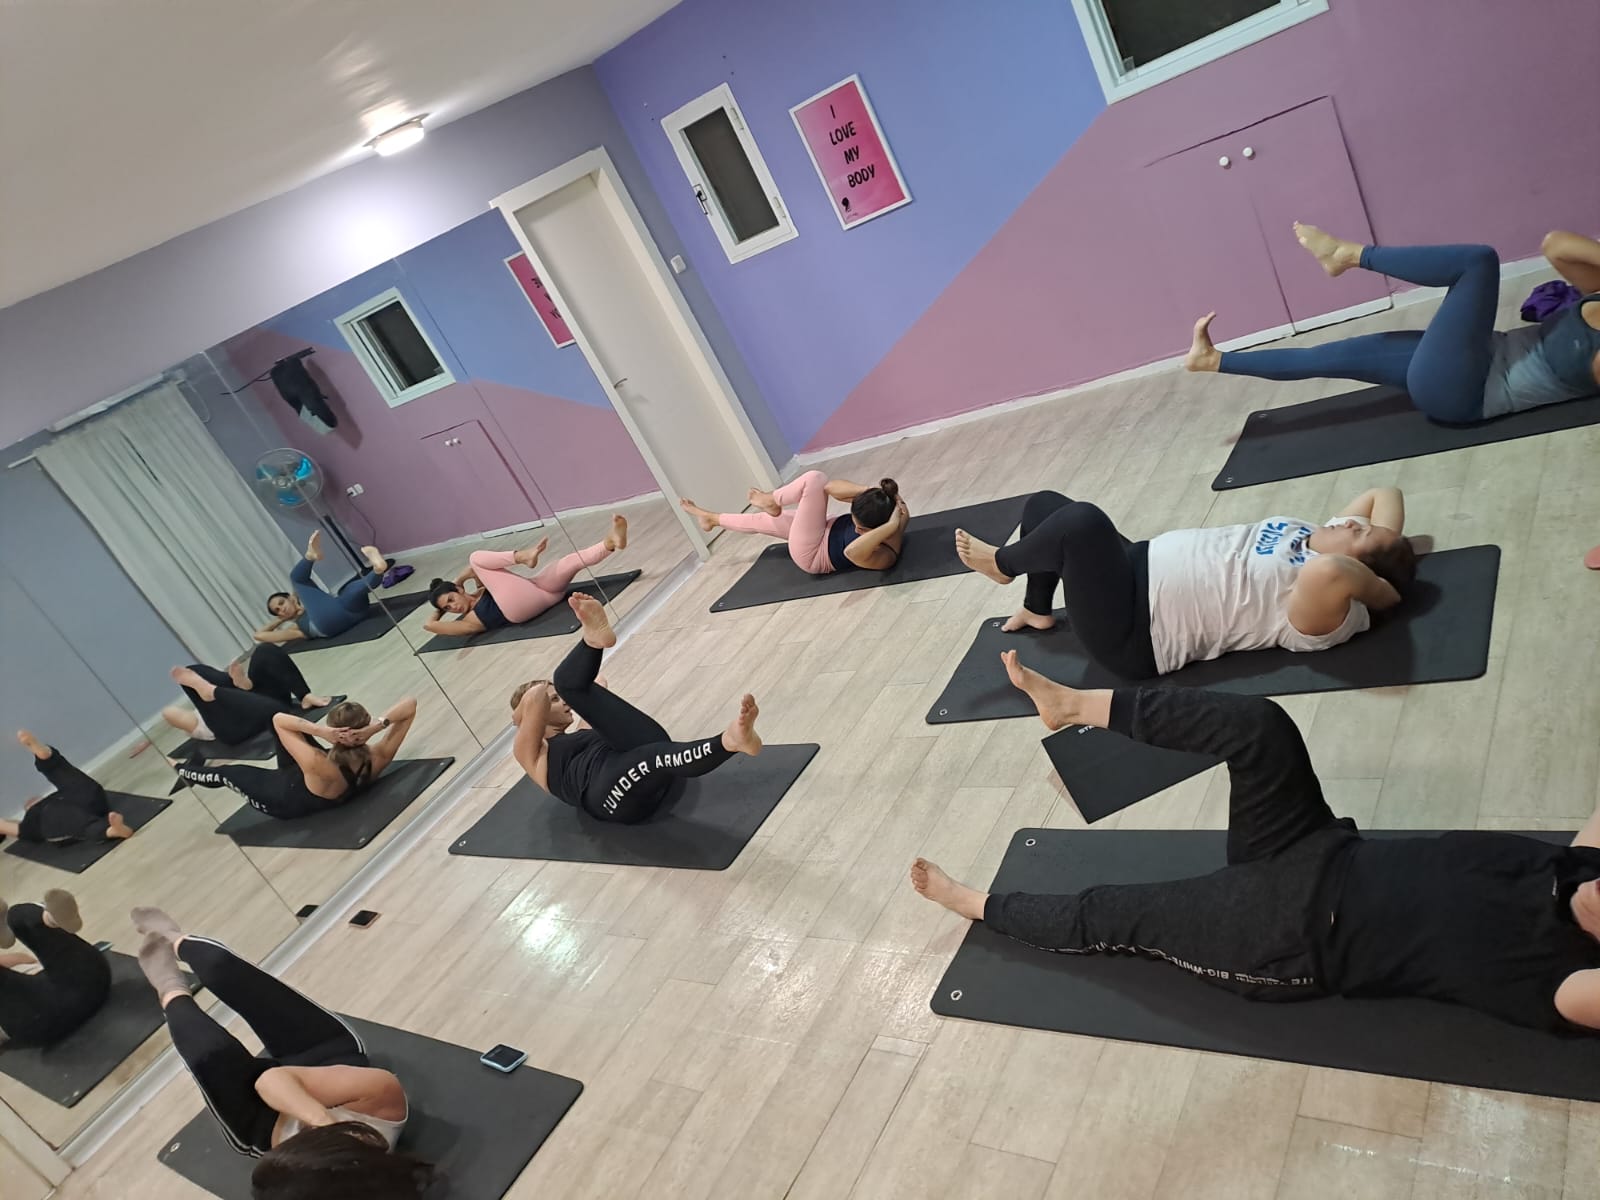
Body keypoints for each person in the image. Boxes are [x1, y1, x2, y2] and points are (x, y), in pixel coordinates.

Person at [911, 652, 1600, 1033]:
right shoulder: (1584, 869)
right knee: (1261, 728)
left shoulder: (1561, 977)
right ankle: (1073, 705)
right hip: (1315, 846)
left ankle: (975, 904)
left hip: (1282, 934)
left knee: (1113, 912)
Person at [955, 486, 1415, 678]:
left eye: (1361, 534)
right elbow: (1385, 493)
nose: (1352, 523)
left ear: (1361, 574)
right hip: (1136, 565)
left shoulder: (1320, 601)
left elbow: (1332, 572)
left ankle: (1003, 564)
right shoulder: (1317, 535)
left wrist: (1386, 594)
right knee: (1044, 506)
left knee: (1081, 523)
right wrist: (1381, 542)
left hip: (1136, 633)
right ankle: (1036, 607)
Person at [132, 909, 431, 1196]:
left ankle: (168, 985)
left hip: (260, 1121)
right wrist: (324, 1126)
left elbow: (264, 1085)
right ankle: (174, 938)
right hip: (327, 1059)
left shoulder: (297, 1184)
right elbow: (270, 1079)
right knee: (220, 967)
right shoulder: (383, 1103)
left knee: (204, 1044)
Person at [1184, 223, 1600, 424]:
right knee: (1329, 356)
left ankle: (1350, 255)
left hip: (1470, 390)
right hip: (1482, 354)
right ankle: (1212, 360)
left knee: (1477, 263)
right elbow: (1556, 244)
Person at [510, 593, 763, 823]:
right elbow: (535, 696)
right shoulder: (531, 755)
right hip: (610, 797)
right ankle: (730, 742)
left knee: (568, 683)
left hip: (636, 772)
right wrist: (520, 715)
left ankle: (592, 641)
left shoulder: (580, 733)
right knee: (652, 757)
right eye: (554, 700)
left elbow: (597, 683)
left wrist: (573, 686)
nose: (563, 702)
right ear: (531, 719)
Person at [172, 698, 417, 820]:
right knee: (283, 722)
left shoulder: (318, 761)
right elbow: (410, 705)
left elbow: (279, 720)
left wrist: (320, 732)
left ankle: (181, 768)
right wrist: (376, 728)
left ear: (334, 731)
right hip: (304, 776)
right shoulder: (378, 756)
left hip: (283, 798)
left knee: (229, 773)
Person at [422, 516, 628, 639]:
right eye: (448, 608)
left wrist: (458, 582)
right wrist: (440, 608)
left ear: (459, 591)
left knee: (569, 562)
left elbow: (472, 571)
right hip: (518, 610)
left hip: (542, 592)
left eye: (451, 600)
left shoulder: (481, 588)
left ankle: (610, 542)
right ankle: (523, 557)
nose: (453, 607)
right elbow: (429, 626)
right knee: (475, 557)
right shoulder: (469, 620)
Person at [680, 472, 908, 574]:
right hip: (825, 527)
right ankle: (710, 518)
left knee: (813, 479)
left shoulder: (886, 555)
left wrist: (890, 527)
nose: (856, 529)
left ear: (881, 528)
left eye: (861, 529)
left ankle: (772, 500)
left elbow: (851, 551)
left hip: (813, 554)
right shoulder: (890, 507)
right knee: (761, 520)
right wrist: (869, 491)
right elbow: (830, 488)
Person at [160, 645, 340, 746]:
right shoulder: (203, 722)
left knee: (265, 650)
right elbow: (171, 713)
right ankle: (224, 689)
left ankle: (305, 696)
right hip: (239, 724)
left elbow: (169, 713)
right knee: (194, 672)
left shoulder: (197, 721)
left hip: (259, 705)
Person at [0, 889, 110, 1049]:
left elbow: (23, 959)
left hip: (48, 1010)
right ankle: (47, 919)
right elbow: (23, 959)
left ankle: (46, 919)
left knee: (15, 916)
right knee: (16, 915)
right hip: (93, 981)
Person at [256, 532, 403, 645]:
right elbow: (259, 635)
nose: (281, 609)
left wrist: (295, 598)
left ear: (289, 598)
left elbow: (299, 592)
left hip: (355, 610)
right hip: (329, 623)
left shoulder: (313, 602)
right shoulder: (296, 628)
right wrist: (280, 620)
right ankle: (310, 556)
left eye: (281, 603)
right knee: (296, 579)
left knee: (349, 590)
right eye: (277, 611)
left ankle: (378, 570)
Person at [0, 731, 132, 844]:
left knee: (78, 785)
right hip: (67, 819)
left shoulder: (53, 802)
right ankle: (111, 831)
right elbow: (5, 826)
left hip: (86, 802)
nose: (30, 802)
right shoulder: (32, 826)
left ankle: (46, 757)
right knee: (71, 818)